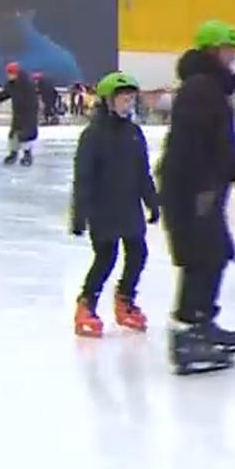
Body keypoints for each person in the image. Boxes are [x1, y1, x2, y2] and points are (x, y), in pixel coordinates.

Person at [158, 19, 235, 376]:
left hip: (201, 190)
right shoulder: (200, 90)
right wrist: (201, 189)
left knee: (213, 255)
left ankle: (202, 321)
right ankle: (188, 332)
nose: (233, 56)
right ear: (212, 51)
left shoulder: (208, 89)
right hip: (191, 190)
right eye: (228, 49)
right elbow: (193, 146)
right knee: (202, 258)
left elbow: (226, 147)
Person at [69, 72, 159, 339]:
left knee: (138, 254)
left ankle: (125, 299)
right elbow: (83, 177)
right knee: (106, 258)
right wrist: (79, 215)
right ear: (108, 101)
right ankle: (86, 304)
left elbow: (143, 172)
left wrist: (153, 202)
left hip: (129, 207)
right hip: (103, 209)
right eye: (123, 99)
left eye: (130, 99)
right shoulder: (93, 135)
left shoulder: (134, 133)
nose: (127, 104)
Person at [0, 61, 40, 166]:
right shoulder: (11, 84)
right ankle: (13, 153)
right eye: (8, 73)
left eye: (11, 73)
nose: (9, 75)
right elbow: (4, 94)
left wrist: (31, 111)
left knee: (25, 135)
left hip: (28, 113)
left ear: (16, 73)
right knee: (13, 134)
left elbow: (33, 100)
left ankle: (27, 155)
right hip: (18, 113)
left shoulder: (27, 83)